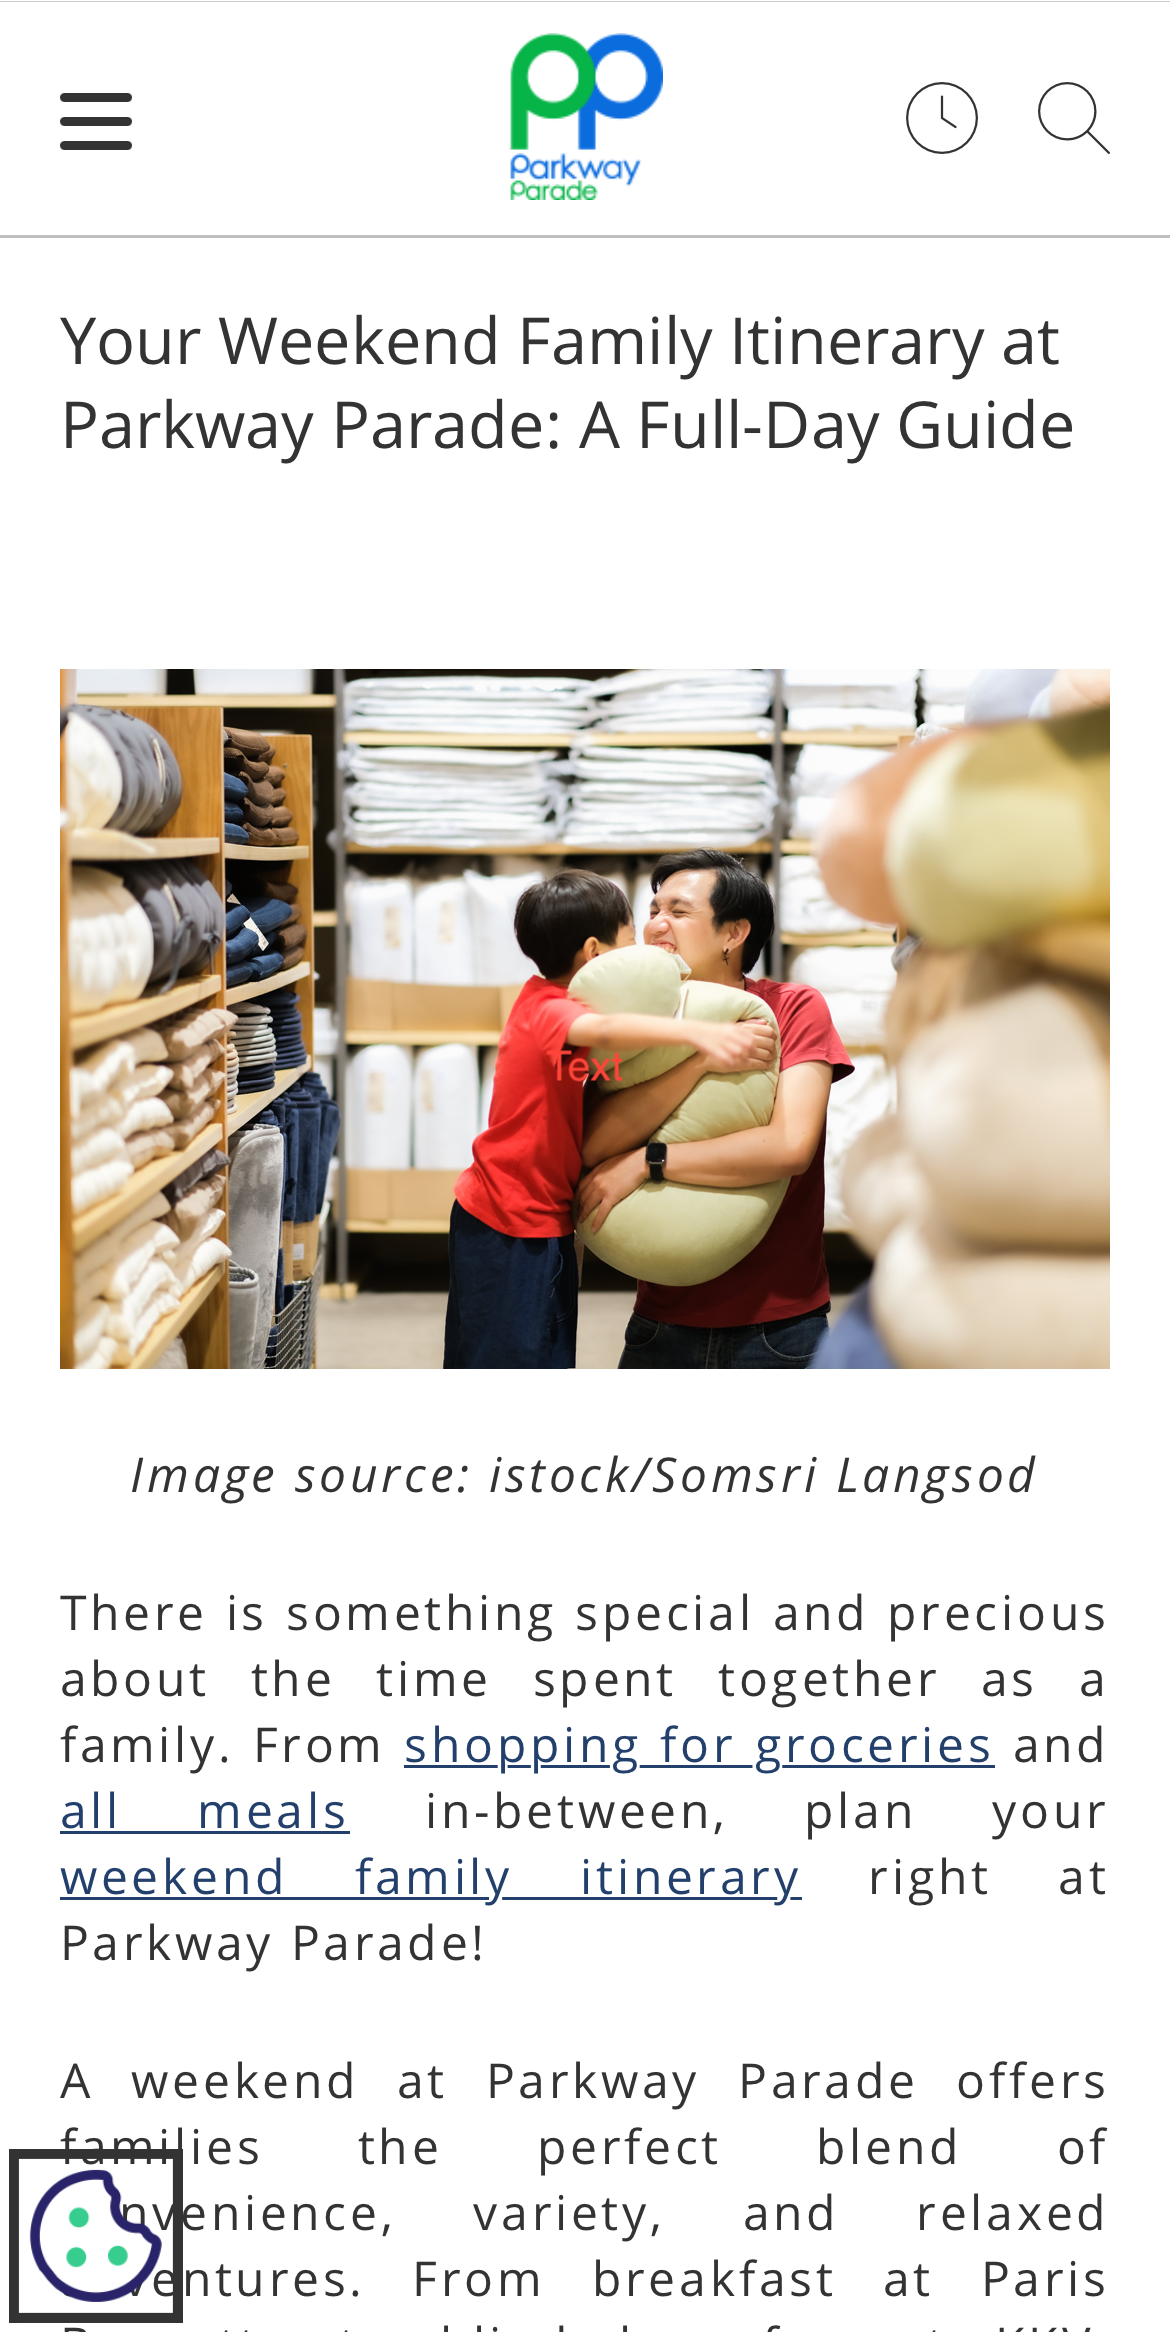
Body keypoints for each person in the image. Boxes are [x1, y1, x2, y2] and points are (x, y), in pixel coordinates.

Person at [444, 868, 777, 1370]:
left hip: (538, 1216)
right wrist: (701, 1039)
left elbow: (578, 1068)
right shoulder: (552, 1009)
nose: (645, 941)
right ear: (596, 953)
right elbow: (605, 1029)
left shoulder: (549, 1010)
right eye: (632, 935)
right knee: (508, 1358)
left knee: (544, 1352)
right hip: (510, 1217)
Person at [576, 850, 853, 1369]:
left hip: (777, 1324)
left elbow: (789, 1147)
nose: (657, 926)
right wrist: (701, 1058)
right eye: (653, 911)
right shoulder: (636, 1021)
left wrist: (646, 1161)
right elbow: (594, 1146)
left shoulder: (792, 1007)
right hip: (661, 1316)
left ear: (733, 933)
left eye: (678, 912)